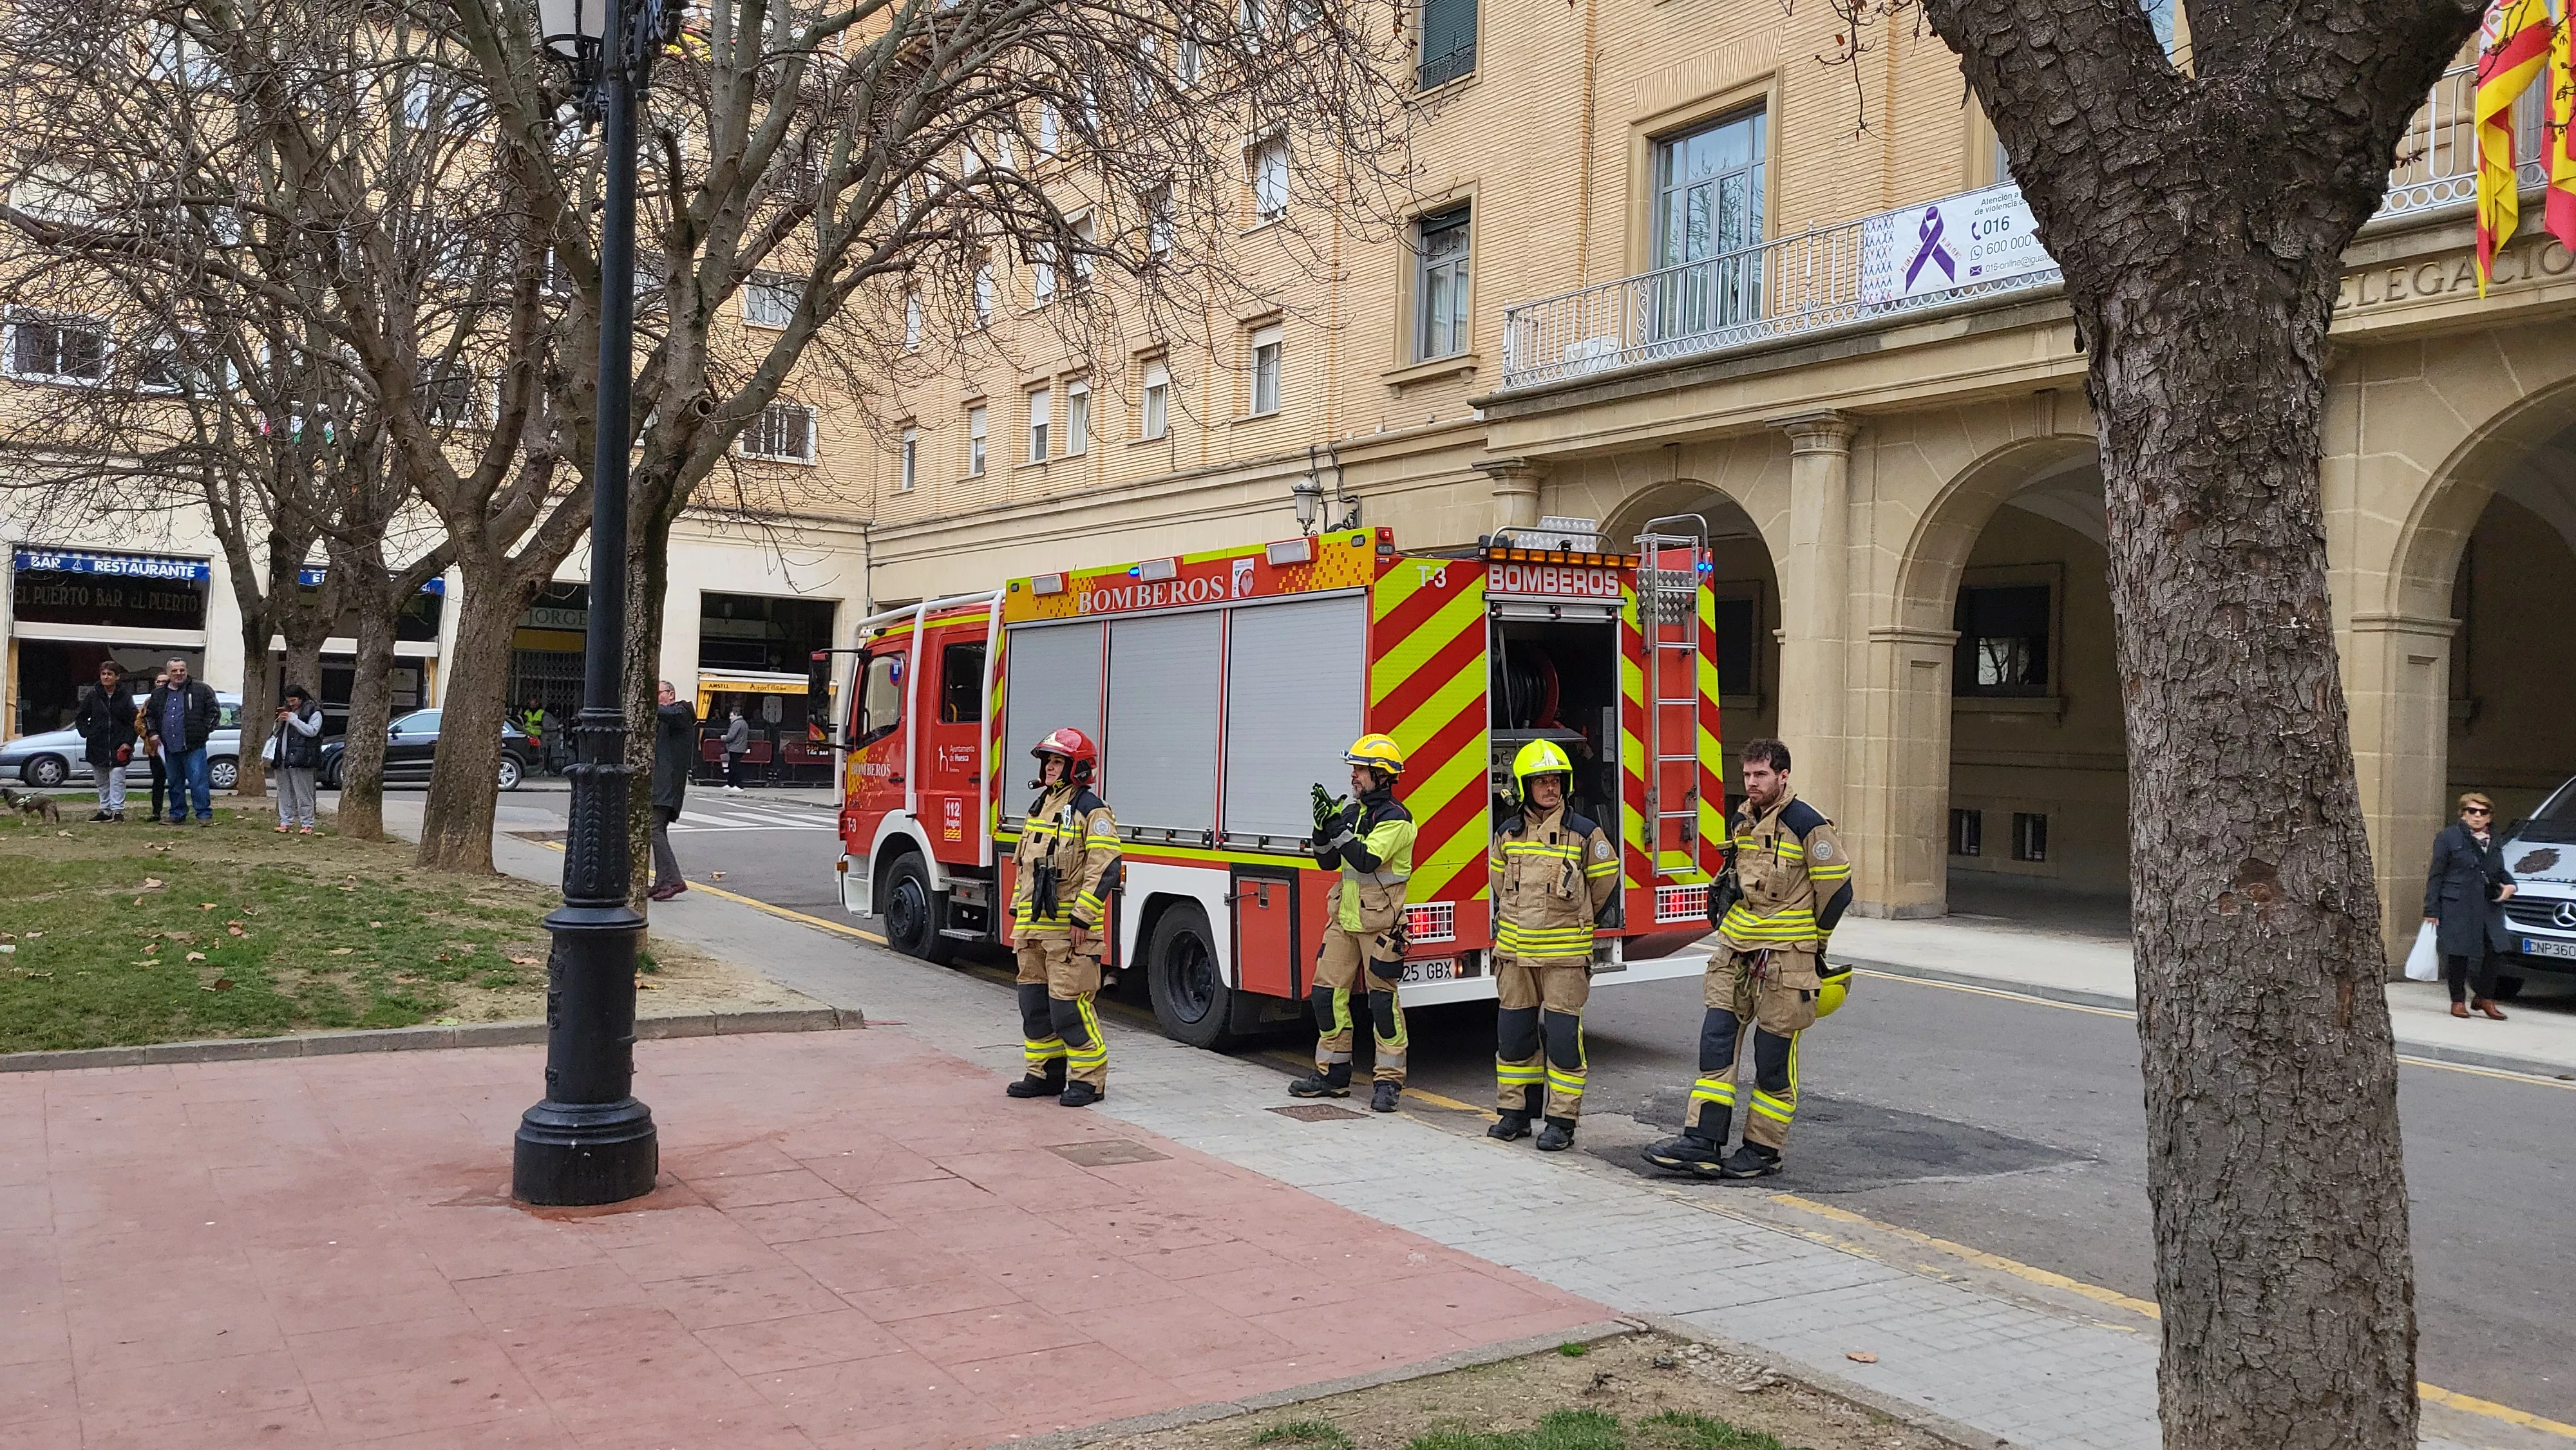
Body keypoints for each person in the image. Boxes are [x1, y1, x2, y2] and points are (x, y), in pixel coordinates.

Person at [1643, 739, 1852, 1180]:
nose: (1752, 784)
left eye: (1761, 775)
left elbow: (1839, 888)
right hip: (1735, 953)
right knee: (1716, 1045)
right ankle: (1701, 1141)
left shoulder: (1807, 824)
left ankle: (1762, 1152)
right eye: (1748, 775)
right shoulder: (1744, 819)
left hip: (1785, 963)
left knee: (1772, 1060)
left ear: (1783, 776)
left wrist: (1816, 942)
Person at [1486, 739, 1620, 1153]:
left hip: (1563, 958)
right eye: (1541, 781)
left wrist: (1576, 924)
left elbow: (1605, 884)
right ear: (1525, 786)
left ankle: (1562, 1122)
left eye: (1556, 780)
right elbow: (1496, 884)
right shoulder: (1506, 833)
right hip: (1514, 956)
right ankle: (1515, 1115)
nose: (1550, 788)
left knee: (1563, 1041)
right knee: (1514, 1039)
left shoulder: (1584, 833)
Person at [1289, 734, 1417, 1114]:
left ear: (1382, 775)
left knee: (1382, 1003)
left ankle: (1388, 1082)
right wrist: (1320, 828)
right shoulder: (1352, 813)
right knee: (1326, 996)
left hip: (1380, 925)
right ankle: (1333, 1075)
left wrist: (1335, 825)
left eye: (1360, 770)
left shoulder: (1397, 819)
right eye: (1353, 769)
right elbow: (1328, 862)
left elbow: (1365, 860)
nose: (1353, 777)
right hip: (1344, 921)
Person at [1003, 728, 1120, 1106]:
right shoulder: (1041, 806)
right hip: (1033, 930)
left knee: (1068, 1009)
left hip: (1072, 935)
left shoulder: (1091, 809)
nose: (1050, 768)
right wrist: (1017, 913)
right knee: (1034, 1007)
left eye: (1058, 762)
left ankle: (1088, 1082)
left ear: (1078, 768)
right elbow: (1027, 866)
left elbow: (1105, 867)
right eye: (1048, 761)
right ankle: (1044, 1075)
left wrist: (1083, 918)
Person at [2425, 791, 2518, 1021]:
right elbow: (2436, 874)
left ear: (2489, 817)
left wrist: (2511, 885)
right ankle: (2458, 1000)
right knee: (2458, 953)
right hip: (2458, 902)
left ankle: (2484, 998)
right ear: (2463, 814)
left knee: (2495, 949)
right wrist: (2431, 909)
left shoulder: (2495, 838)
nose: (2477, 816)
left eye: (2482, 812)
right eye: (2472, 811)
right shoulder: (2448, 837)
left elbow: (2499, 870)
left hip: (2488, 903)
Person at [144, 657, 222, 826]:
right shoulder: (158, 694)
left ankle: (204, 815)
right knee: (174, 782)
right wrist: (154, 733)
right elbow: (149, 716)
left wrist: (202, 731)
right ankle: (177, 814)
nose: (179, 674)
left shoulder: (201, 690)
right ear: (168, 673)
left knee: (198, 781)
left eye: (182, 670)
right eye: (175, 671)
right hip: (169, 747)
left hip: (194, 746)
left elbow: (214, 713)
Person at [649, 681, 697, 900]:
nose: (656, 698)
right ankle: (662, 881)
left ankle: (674, 880)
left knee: (654, 829)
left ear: (670, 694)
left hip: (666, 786)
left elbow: (670, 714)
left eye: (657, 694)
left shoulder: (682, 712)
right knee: (658, 830)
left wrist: (646, 702)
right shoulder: (669, 718)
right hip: (662, 784)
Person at [73, 660, 135, 823]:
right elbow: (81, 717)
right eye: (103, 674)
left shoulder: (125, 696)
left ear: (117, 677)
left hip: (119, 745)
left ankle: (118, 811)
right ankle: (105, 809)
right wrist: (87, 733)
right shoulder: (93, 695)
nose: (106, 677)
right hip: (97, 745)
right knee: (101, 781)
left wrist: (128, 742)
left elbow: (133, 722)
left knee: (117, 778)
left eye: (110, 674)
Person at [273, 686, 325, 834]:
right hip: (282, 757)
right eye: (289, 701)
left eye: (294, 700)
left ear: (301, 698)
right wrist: (279, 721)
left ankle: (307, 823)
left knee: (303, 792)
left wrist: (294, 720)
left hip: (303, 758)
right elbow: (276, 732)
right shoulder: (286, 711)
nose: (291, 704)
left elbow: (312, 731)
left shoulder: (313, 712)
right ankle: (285, 821)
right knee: (284, 792)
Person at [141, 670, 170, 822]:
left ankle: (176, 811)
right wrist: (149, 735)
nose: (161, 684)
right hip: (155, 747)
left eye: (165, 681)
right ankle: (156, 811)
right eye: (159, 681)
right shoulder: (149, 701)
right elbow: (141, 721)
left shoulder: (175, 698)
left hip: (173, 745)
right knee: (158, 780)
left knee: (175, 780)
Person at [722, 702, 752, 793]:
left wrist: (724, 738)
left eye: (731, 715)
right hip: (740, 747)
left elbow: (731, 736)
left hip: (736, 748)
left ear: (736, 715)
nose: (730, 718)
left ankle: (739, 785)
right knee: (732, 765)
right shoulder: (743, 723)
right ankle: (731, 783)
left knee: (735, 767)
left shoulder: (737, 724)